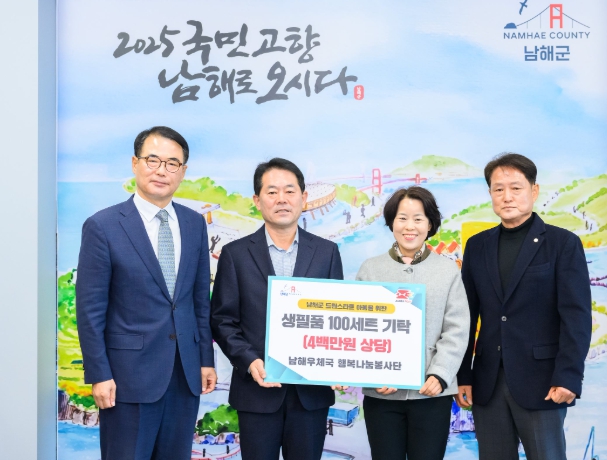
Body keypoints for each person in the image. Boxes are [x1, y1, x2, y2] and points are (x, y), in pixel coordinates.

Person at [76, 126, 217, 460]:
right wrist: (99, 373)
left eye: (172, 163)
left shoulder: (194, 224)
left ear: (183, 171)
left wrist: (205, 360)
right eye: (153, 160)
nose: (161, 171)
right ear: (135, 163)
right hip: (127, 379)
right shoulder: (103, 226)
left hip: (184, 376)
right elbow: (90, 310)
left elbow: (199, 300)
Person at [454, 153, 591, 460]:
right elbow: (466, 316)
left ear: (534, 190)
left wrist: (568, 376)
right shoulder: (477, 245)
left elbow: (576, 317)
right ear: (490, 193)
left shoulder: (563, 244)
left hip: (543, 382)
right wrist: (464, 375)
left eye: (516, 188)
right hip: (487, 382)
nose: (507, 196)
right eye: (498, 189)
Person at [211, 158, 344, 460]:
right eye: (272, 192)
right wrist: (249, 361)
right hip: (256, 392)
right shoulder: (234, 255)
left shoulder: (327, 252)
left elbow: (335, 318)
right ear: (257, 200)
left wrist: (338, 364)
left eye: (289, 191)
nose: (281, 199)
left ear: (304, 198)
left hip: (311, 394)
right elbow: (222, 320)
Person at [356, 186, 470, 460]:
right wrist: (374, 374)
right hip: (382, 395)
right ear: (391, 222)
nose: (410, 226)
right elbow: (358, 327)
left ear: (429, 224)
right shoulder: (370, 269)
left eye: (418, 219)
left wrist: (440, 374)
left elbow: (456, 329)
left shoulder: (447, 269)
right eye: (402, 218)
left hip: (431, 393)